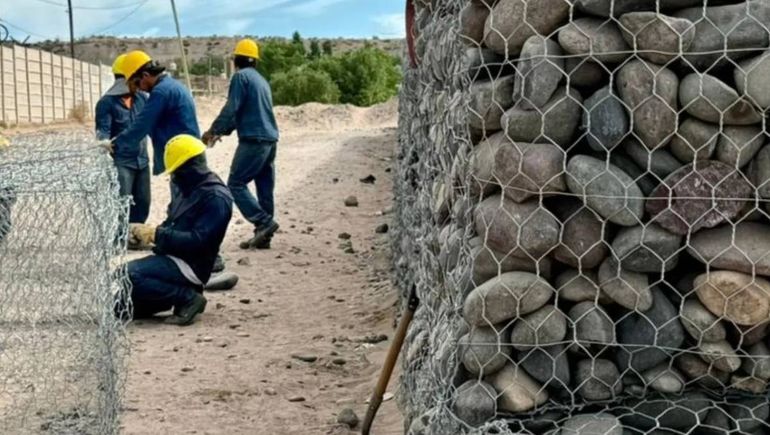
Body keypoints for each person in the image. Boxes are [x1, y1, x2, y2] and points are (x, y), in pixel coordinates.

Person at [121, 135, 233, 326]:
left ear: (191, 167)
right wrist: (148, 236)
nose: (174, 177)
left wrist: (156, 234)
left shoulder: (215, 198)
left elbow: (199, 242)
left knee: (129, 275)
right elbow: (173, 222)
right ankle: (173, 296)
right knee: (120, 306)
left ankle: (187, 297)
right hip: (173, 258)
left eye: (177, 171)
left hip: (190, 267)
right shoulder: (189, 189)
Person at [202, 38, 280, 250]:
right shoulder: (261, 81)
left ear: (236, 59)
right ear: (255, 61)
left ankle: (263, 223)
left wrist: (213, 131)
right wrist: (223, 132)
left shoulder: (240, 77)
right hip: (270, 139)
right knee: (265, 187)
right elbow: (243, 113)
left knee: (235, 183)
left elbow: (232, 109)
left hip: (253, 140)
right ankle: (264, 237)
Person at [110, 50, 200, 177]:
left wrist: (115, 144)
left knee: (185, 195)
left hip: (183, 158)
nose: (138, 88)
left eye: (136, 82)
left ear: (145, 75)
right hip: (190, 153)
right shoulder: (172, 85)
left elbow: (141, 125)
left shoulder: (160, 92)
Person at [95, 54, 151, 229]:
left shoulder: (142, 98)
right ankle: (120, 239)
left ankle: (136, 236)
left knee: (143, 202)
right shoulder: (106, 103)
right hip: (122, 162)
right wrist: (102, 141)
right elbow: (103, 130)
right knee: (122, 204)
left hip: (142, 160)